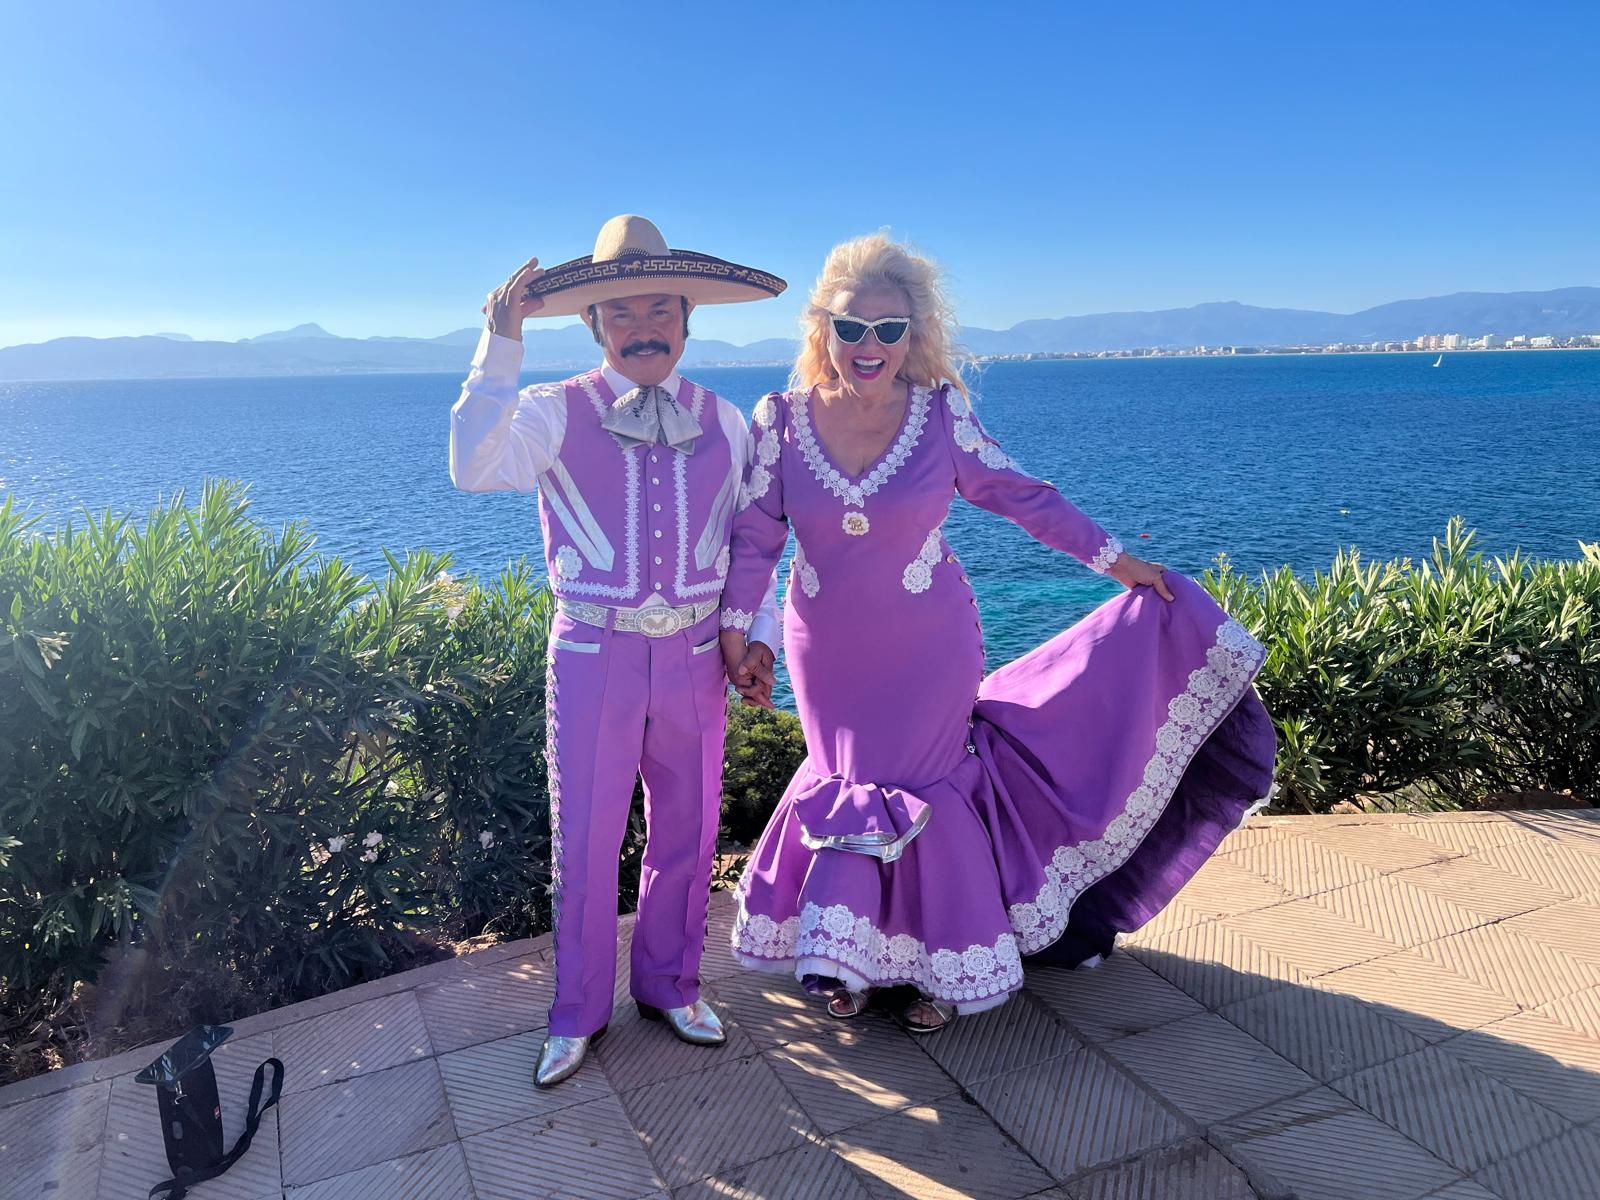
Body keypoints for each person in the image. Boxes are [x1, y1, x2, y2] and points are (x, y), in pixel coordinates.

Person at [718, 234, 1277, 1031]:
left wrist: (1118, 562)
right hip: (825, 654)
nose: (869, 345)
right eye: (851, 327)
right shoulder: (780, 421)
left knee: (927, 789)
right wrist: (742, 635)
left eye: (889, 328)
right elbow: (755, 539)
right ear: (823, 329)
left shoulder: (940, 414)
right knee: (846, 780)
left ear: (913, 334)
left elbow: (1022, 496)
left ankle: (939, 968)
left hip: (930, 648)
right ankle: (854, 959)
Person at [451, 215, 785, 1084]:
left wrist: (755, 638)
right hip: (592, 656)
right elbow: (474, 466)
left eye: (660, 308)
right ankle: (576, 1012)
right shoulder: (551, 410)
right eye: (622, 311)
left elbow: (755, 540)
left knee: (690, 832)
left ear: (687, 319)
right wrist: (500, 343)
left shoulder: (726, 421)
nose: (643, 326)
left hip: (696, 658)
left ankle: (672, 986)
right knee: (586, 839)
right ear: (593, 323)